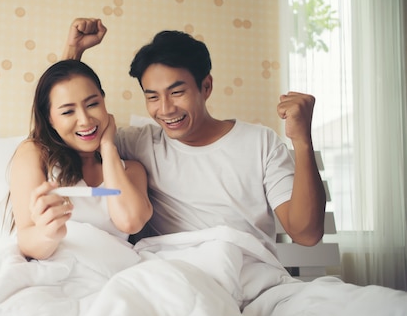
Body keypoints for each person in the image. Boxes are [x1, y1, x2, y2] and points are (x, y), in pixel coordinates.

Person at [62, 18, 326, 256]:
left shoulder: (260, 143)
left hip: (250, 274)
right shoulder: (139, 143)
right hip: (178, 279)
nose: (165, 109)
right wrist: (73, 54)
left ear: (206, 86)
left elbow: (306, 234)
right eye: (152, 96)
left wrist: (302, 141)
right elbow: (60, 132)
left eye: (177, 93)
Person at [9, 59, 153, 260]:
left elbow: (130, 222)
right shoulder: (35, 154)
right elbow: (26, 242)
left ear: (104, 102)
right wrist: (48, 234)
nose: (85, 120)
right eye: (68, 111)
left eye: (93, 104)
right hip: (52, 270)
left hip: (111, 273)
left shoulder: (131, 170)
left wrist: (108, 148)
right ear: (50, 118)